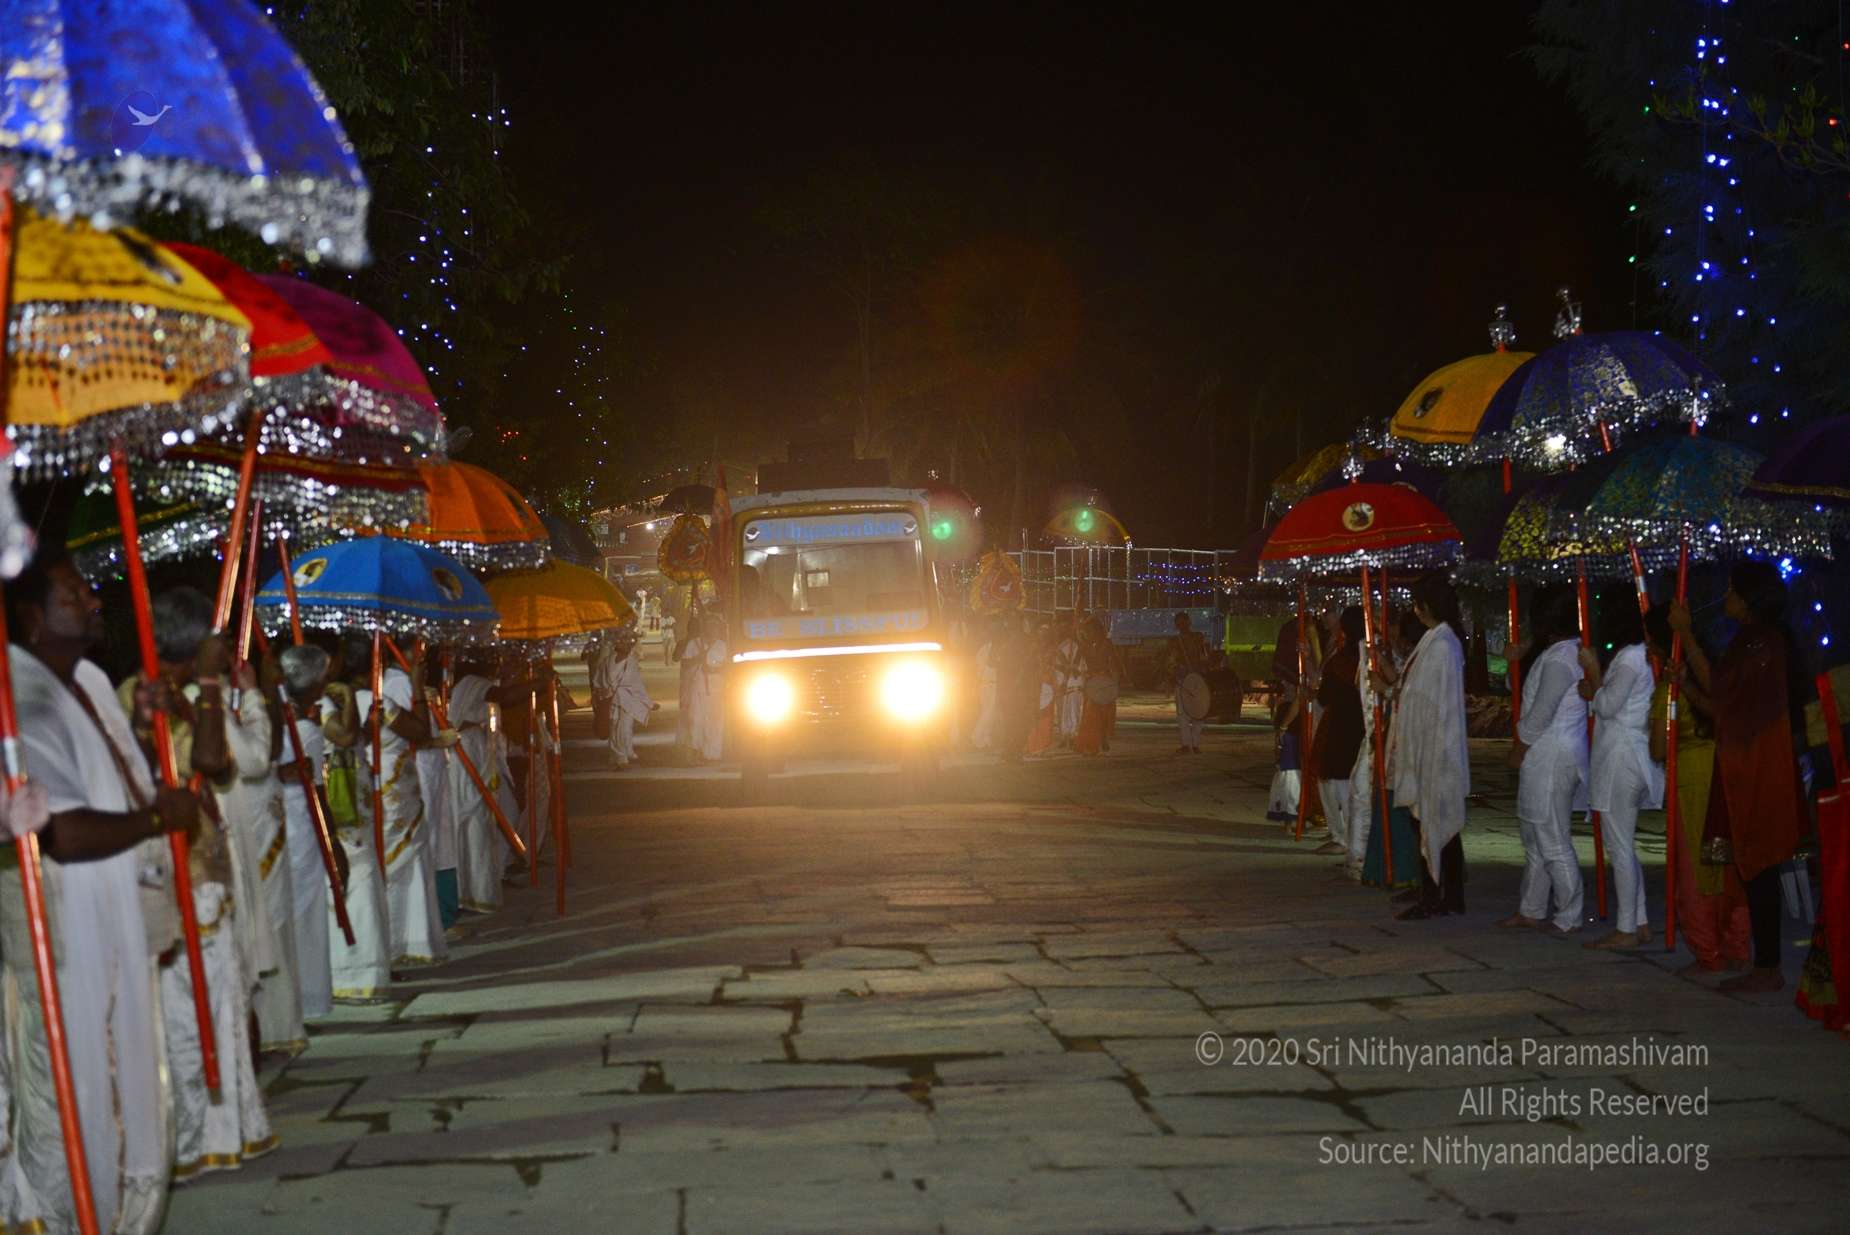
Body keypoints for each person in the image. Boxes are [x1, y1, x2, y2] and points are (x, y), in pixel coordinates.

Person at [0, 551, 198, 1234]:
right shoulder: (20, 698)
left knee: (122, 1083)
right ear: (32, 617)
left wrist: (140, 729)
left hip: (114, 921)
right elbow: (62, 831)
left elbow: (114, 784)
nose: (92, 600)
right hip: (61, 931)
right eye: (73, 593)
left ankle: (117, 1217)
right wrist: (159, 820)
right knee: (66, 1096)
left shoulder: (86, 679)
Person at [1676, 561, 1809, 994]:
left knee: (1762, 863)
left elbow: (1722, 693)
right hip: (1747, 762)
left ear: (1749, 599)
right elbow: (1723, 704)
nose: (1726, 598)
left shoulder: (1761, 642)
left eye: (1733, 590)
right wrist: (1686, 685)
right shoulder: (1753, 640)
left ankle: (1768, 966)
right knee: (1753, 867)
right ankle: (1763, 961)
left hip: (1759, 765)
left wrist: (1686, 635)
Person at [1645, 604, 1750, 975]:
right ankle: (1736, 943)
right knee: (1726, 864)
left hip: (1692, 780)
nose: (1646, 645)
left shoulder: (1671, 690)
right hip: (1722, 775)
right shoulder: (1710, 675)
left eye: (1649, 638)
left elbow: (1658, 749)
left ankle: (1708, 950)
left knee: (1695, 866)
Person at [1379, 571, 1470, 920]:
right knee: (1433, 822)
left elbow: (1424, 698)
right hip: (1428, 743)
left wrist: (1393, 691)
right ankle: (1443, 892)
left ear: (1425, 606)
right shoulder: (1434, 640)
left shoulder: (1443, 645)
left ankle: (1438, 894)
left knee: (1436, 821)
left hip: (1435, 745)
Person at [1577, 593, 1663, 949]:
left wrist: (1595, 675)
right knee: (1623, 843)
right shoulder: (1640, 656)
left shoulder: (1630, 657)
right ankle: (1638, 920)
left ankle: (1627, 927)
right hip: (1630, 754)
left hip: (1621, 757)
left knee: (1619, 845)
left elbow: (1609, 705)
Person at [1500, 585, 1587, 934]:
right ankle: (1532, 907)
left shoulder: (1561, 658)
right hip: (1547, 752)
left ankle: (1569, 914)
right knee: (1535, 836)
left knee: (1551, 837)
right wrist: (1516, 661)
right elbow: (1523, 691)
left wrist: (1520, 748)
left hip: (1551, 753)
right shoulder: (1559, 653)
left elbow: (1540, 713)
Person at [322, 638, 394, 1002]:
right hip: (339, 800)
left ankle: (370, 966)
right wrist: (351, 699)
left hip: (356, 795)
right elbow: (344, 736)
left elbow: (356, 738)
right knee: (356, 878)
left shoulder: (332, 698)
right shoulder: (323, 701)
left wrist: (370, 726)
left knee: (365, 876)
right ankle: (352, 971)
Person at [277, 644, 338, 1018]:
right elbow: (317, 792)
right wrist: (334, 846)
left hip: (282, 823)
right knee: (303, 912)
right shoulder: (303, 729)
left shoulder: (275, 718)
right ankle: (304, 997)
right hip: (300, 825)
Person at [1360, 611, 1424, 891]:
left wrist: (1385, 689)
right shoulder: (1413, 657)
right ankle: (1384, 867)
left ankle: (1403, 869)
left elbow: (1411, 695)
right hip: (1395, 737)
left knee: (1398, 806)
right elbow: (1401, 683)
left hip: (1408, 742)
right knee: (1386, 803)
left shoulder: (1428, 656)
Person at [447, 658, 514, 913]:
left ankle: (484, 885)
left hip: (479, 751)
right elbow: (503, 696)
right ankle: (467, 891)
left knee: (488, 822)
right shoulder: (472, 682)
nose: (498, 664)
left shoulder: (479, 683)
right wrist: (537, 683)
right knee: (473, 825)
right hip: (466, 754)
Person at [1311, 607, 1365, 858]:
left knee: (1336, 780)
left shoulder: (1342, 660)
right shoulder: (1373, 655)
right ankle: (1347, 835)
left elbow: (1324, 696)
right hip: (1364, 725)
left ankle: (1343, 836)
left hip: (1342, 725)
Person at [599, 629, 656, 769]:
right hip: (612, 699)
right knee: (614, 727)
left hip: (627, 700)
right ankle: (617, 756)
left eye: (627, 643)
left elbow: (637, 685)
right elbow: (599, 681)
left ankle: (622, 757)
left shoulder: (631, 663)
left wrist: (648, 703)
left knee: (624, 728)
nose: (625, 645)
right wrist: (601, 694)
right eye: (622, 642)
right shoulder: (607, 661)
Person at [684, 612, 728, 762]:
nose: (712, 629)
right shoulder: (694, 644)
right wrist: (698, 658)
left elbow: (729, 667)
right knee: (696, 719)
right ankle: (696, 750)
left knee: (715, 721)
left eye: (715, 626)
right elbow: (685, 664)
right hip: (697, 687)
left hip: (717, 688)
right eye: (709, 625)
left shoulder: (723, 646)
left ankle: (713, 754)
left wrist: (714, 670)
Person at [1073, 617, 1118, 756]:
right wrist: (1078, 672)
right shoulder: (1084, 645)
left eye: (1091, 631)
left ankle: (1102, 737)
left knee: (1104, 713)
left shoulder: (1107, 643)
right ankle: (1090, 744)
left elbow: (1114, 662)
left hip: (1105, 681)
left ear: (1098, 631)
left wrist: (1115, 682)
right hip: (1091, 682)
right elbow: (1075, 664)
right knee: (1089, 714)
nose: (1089, 634)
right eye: (1087, 631)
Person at [1169, 612, 1209, 754]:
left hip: (1183, 680)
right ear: (1189, 622)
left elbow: (1171, 662)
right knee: (1200, 711)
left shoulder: (1175, 641)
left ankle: (1187, 744)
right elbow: (1205, 658)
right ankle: (1194, 744)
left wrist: (1173, 674)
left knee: (1183, 713)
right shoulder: (1198, 638)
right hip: (1198, 679)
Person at [1052, 617, 1085, 746]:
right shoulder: (1059, 645)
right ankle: (1064, 736)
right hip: (1060, 682)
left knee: (1073, 710)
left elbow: (1073, 668)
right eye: (1059, 628)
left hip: (1072, 682)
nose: (1060, 630)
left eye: (1064, 628)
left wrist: (1061, 662)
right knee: (1062, 711)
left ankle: (1073, 736)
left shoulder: (1074, 645)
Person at [970, 621, 1001, 751]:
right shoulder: (990, 648)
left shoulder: (984, 648)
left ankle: (986, 740)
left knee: (988, 713)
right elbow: (992, 664)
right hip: (989, 684)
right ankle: (975, 738)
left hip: (985, 684)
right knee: (988, 713)